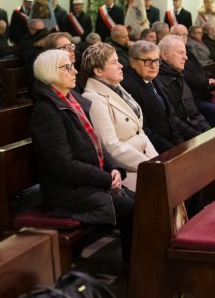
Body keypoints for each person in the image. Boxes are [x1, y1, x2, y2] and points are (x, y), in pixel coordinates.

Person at [29, 49, 135, 262]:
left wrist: (114, 169)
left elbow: (97, 143)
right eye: (68, 67)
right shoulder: (47, 111)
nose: (75, 71)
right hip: (67, 193)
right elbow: (64, 166)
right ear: (50, 72)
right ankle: (136, 272)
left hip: (88, 184)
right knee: (135, 209)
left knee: (147, 201)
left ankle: (140, 266)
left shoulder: (72, 100)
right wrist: (106, 179)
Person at [81, 43, 156, 191]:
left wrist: (157, 161)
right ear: (98, 71)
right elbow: (111, 146)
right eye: (114, 62)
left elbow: (139, 131)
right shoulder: (94, 99)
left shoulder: (117, 88)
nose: (121, 66)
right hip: (128, 169)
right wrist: (149, 166)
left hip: (146, 158)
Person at [121, 40, 187, 150]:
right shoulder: (128, 86)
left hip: (173, 141)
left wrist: (195, 136)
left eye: (156, 61)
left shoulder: (152, 77)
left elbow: (172, 117)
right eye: (147, 61)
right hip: (157, 150)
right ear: (133, 62)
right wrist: (173, 149)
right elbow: (144, 130)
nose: (154, 66)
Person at [155, 35, 211, 137]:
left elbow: (194, 112)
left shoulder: (179, 75)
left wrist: (207, 129)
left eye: (185, 53)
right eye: (180, 52)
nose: (185, 57)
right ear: (164, 55)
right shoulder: (157, 82)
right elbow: (173, 120)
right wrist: (198, 135)